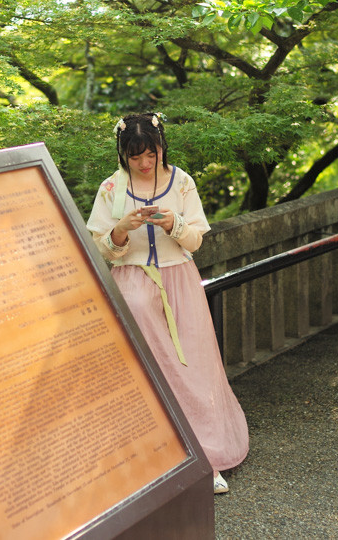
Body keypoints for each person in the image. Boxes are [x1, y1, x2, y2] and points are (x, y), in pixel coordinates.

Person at [86, 112, 248, 494]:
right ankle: (146, 459)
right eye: (135, 156)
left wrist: (173, 223)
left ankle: (206, 460)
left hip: (180, 282)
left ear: (162, 148)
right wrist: (122, 229)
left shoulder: (183, 182)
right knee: (144, 373)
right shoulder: (111, 188)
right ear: (123, 154)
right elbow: (102, 251)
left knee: (193, 369)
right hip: (132, 284)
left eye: (152, 154)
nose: (144, 163)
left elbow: (195, 242)